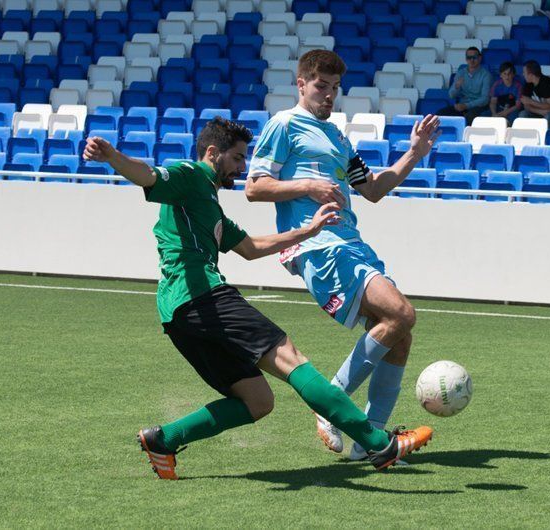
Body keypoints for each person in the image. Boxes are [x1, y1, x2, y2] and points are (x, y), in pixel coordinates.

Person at [82, 117, 433, 479]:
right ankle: (378, 444)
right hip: (203, 295)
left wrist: (307, 230)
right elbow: (148, 175)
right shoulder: (189, 174)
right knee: (290, 358)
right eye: (237, 158)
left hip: (177, 316)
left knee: (258, 402)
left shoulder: (208, 203)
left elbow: (250, 248)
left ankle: (163, 440)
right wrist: (113, 157)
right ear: (213, 153)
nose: (242, 166)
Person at [245, 50, 441, 462]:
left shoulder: (337, 136)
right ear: (300, 84)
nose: (330, 95)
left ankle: (368, 443)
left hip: (351, 243)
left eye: (335, 88)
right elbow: (255, 186)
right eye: (321, 86)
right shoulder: (283, 124)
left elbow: (372, 189)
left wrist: (415, 153)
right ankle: (331, 402)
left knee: (400, 338)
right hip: (320, 246)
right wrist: (308, 187)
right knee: (402, 314)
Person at [438, 47, 492, 124]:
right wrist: (456, 87)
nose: (471, 60)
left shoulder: (486, 75)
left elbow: (485, 99)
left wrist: (466, 106)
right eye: (469, 58)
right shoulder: (461, 73)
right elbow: (451, 95)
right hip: (462, 106)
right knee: (440, 114)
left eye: (474, 57)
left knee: (470, 116)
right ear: (466, 59)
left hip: (479, 107)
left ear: (480, 58)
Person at [519, 60, 550, 125]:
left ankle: (547, 134)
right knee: (523, 114)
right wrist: (540, 112)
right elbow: (526, 106)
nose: (523, 75)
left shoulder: (547, 84)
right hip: (541, 111)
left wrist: (531, 101)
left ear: (531, 74)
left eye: (524, 73)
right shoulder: (528, 84)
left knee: (549, 116)